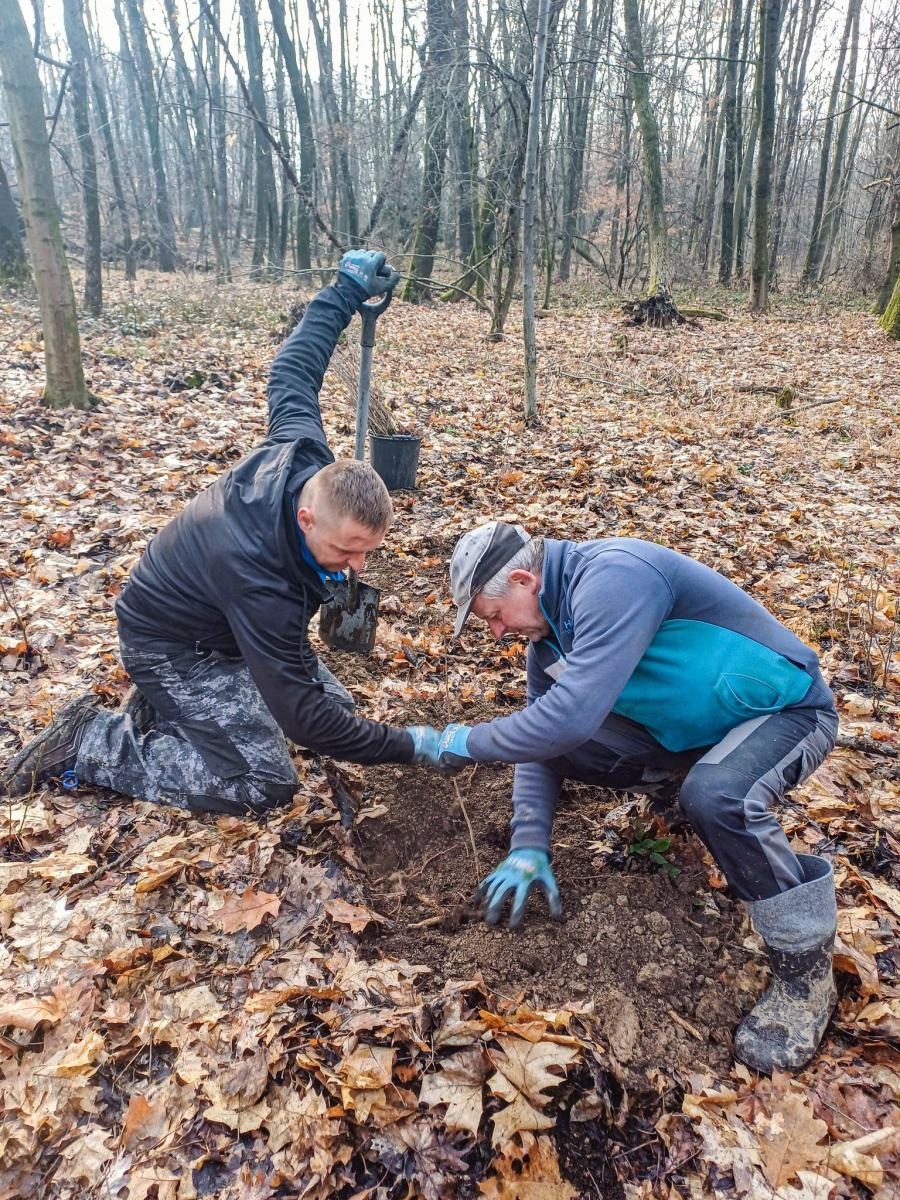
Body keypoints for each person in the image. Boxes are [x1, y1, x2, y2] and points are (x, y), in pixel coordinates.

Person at [4, 251, 440, 815]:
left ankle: (175, 711)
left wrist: (344, 292)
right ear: (307, 519)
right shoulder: (257, 575)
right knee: (266, 783)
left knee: (341, 709)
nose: (357, 567)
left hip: (224, 629)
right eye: (347, 550)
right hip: (170, 645)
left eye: (366, 552)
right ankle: (92, 741)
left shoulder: (301, 452)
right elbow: (302, 716)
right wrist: (414, 746)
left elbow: (294, 368)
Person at [423, 521, 840, 1074]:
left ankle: (806, 971)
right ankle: (680, 797)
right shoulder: (547, 645)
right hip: (690, 738)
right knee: (587, 749)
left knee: (718, 795)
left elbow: (569, 717)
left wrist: (466, 742)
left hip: (786, 713)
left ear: (524, 580)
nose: (497, 632)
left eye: (494, 616)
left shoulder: (615, 576)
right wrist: (528, 844)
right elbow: (543, 738)